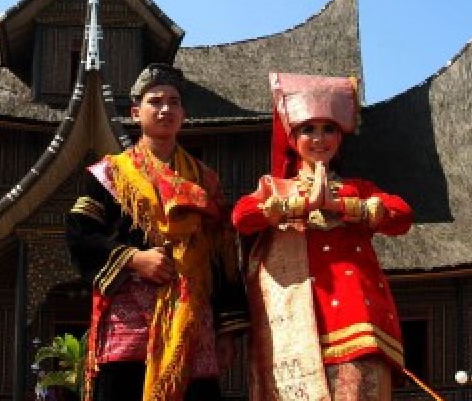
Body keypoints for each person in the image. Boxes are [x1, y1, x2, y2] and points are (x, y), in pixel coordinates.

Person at [65, 63, 248, 401]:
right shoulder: (110, 175)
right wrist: (134, 258)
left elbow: (223, 258)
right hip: (129, 321)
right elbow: (80, 234)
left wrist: (226, 331)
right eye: (156, 101)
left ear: (184, 113)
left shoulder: (206, 181)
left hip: (192, 320)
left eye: (174, 102)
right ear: (136, 113)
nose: (166, 109)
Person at [232, 73, 413, 401]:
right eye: (308, 130)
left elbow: (402, 215)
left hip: (357, 317)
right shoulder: (276, 188)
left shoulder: (357, 189)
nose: (319, 139)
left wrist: (341, 205)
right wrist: (299, 205)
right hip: (297, 325)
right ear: (292, 137)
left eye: (329, 128)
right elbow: (242, 217)